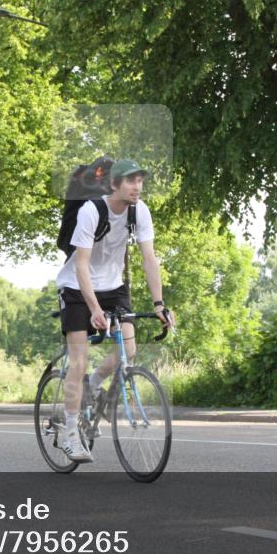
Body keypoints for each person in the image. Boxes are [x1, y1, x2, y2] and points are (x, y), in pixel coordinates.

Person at [55, 158, 174, 462]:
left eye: (140, 181)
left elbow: (149, 258)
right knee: (78, 360)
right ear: (114, 185)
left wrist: (159, 304)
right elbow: (81, 263)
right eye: (131, 181)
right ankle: (69, 432)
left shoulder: (140, 211)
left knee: (129, 350)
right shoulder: (91, 211)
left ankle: (93, 386)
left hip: (113, 287)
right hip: (77, 287)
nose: (137, 186)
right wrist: (94, 308)